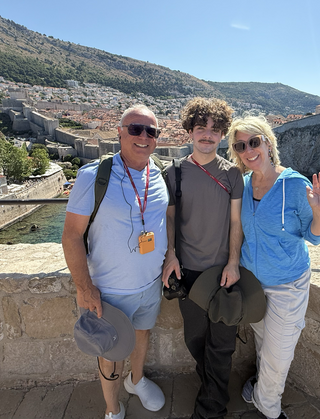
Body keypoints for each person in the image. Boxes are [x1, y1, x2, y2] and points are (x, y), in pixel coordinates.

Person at [62, 104, 168, 419]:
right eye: (135, 129)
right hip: (107, 290)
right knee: (109, 353)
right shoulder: (94, 176)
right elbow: (71, 236)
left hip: (150, 284)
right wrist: (84, 288)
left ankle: (137, 381)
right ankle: (112, 408)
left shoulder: (158, 173)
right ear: (120, 133)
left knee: (142, 335)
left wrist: (171, 254)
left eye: (151, 131)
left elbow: (165, 221)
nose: (143, 136)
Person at [227, 115, 320, 419]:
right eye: (240, 145)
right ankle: (259, 387)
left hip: (288, 284)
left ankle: (269, 408)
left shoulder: (294, 184)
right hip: (252, 285)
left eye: (254, 142)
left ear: (268, 143)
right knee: (264, 345)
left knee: (279, 355)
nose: (249, 150)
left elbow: (314, 237)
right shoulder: (244, 185)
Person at [161, 97, 244, 419]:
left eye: (214, 129)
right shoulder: (174, 173)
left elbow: (236, 222)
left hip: (223, 272)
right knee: (196, 340)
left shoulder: (232, 175)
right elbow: (169, 219)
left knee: (222, 344)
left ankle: (210, 410)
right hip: (188, 272)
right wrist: (170, 255)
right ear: (190, 131)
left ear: (222, 135)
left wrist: (234, 262)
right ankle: (213, 388)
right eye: (201, 128)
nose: (207, 135)